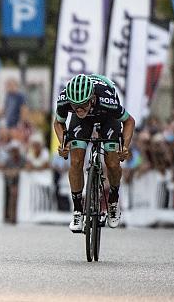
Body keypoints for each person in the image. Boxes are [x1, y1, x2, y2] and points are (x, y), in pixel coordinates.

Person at [52, 73, 135, 232]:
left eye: (83, 104)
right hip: (82, 122)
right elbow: (58, 123)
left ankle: (113, 200)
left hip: (107, 117)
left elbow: (129, 121)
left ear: (92, 98)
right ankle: (77, 211)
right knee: (76, 161)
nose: (79, 109)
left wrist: (125, 147)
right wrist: (64, 143)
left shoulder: (106, 100)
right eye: (75, 106)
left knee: (112, 162)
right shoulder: (65, 99)